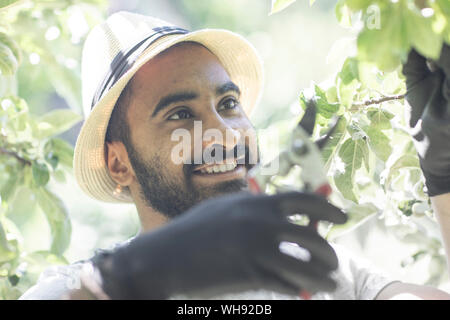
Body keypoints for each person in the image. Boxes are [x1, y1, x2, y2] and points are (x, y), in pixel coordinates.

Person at [20, 11, 450, 300]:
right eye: (180, 114)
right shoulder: (70, 287)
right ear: (118, 163)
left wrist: (444, 178)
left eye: (228, 104)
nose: (223, 135)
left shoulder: (321, 271)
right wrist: (134, 274)